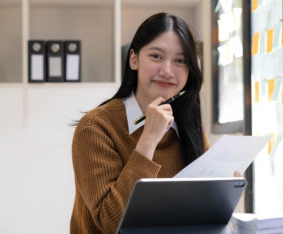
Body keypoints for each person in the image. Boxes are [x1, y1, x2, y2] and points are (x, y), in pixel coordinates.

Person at [70, 13, 209, 233]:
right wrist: (149, 138)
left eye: (180, 60)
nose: (167, 71)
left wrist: (224, 192)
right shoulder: (95, 127)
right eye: (156, 56)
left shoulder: (190, 130)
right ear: (133, 59)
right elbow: (112, 223)